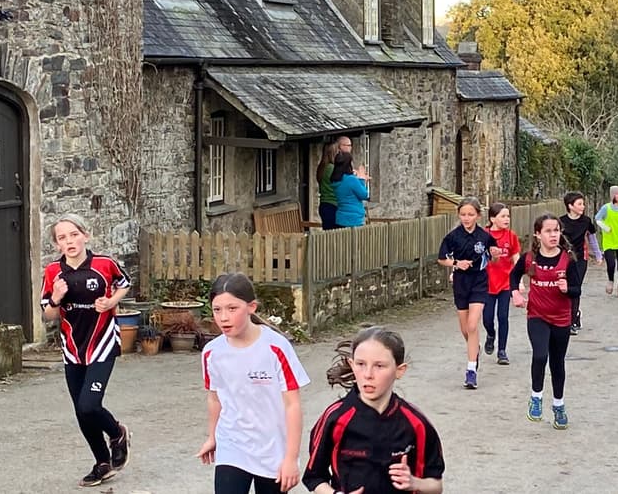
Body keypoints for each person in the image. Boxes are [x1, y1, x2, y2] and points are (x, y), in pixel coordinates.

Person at [40, 214, 133, 488]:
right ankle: (102, 463)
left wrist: (111, 302)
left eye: (74, 235)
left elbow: (124, 283)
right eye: (62, 238)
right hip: (72, 348)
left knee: (89, 404)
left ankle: (117, 433)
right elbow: (48, 314)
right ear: (57, 244)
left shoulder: (104, 264)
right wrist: (56, 298)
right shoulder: (53, 272)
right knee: (81, 411)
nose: (69, 241)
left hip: (103, 344)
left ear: (85, 236)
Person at [198, 273, 309, 494]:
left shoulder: (276, 347)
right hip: (232, 446)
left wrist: (291, 458)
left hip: (272, 451)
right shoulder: (211, 352)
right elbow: (215, 398)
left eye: (232, 308)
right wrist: (213, 436)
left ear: (251, 307)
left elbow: (293, 405)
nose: (224, 318)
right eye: (217, 309)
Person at [304, 327, 445, 494]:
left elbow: (436, 486)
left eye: (379, 366)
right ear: (352, 365)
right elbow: (314, 477)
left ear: (399, 370)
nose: (368, 374)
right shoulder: (335, 418)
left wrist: (415, 483)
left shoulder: (416, 423)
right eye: (361, 364)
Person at [511, 214, 579, 429]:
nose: (553, 235)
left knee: (557, 363)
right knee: (540, 355)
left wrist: (567, 289)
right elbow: (513, 275)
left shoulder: (568, 259)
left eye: (556, 231)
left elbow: (577, 289)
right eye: (548, 231)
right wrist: (515, 293)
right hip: (537, 316)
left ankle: (559, 405)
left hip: (561, 318)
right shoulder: (529, 258)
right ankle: (536, 398)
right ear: (538, 234)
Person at [437, 197, 500, 389]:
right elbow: (441, 259)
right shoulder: (452, 237)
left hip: (479, 281)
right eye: (463, 214)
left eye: (470, 214)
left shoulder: (485, 236)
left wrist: (495, 255)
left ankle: (471, 370)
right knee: (465, 329)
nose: (466, 218)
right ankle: (475, 348)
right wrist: (456, 263)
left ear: (478, 216)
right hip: (461, 282)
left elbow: (493, 257)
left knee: (473, 325)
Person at [482, 203, 521, 364]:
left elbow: (516, 257)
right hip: (487, 283)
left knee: (503, 316)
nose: (507, 219)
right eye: (503, 216)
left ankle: (502, 351)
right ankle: (491, 334)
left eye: (508, 216)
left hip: (506, 282)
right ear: (492, 219)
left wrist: (518, 280)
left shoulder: (511, 236)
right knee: (487, 318)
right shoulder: (483, 235)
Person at [558, 191, 600, 335]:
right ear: (570, 206)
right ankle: (571, 315)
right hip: (564, 258)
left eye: (583, 204)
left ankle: (571, 322)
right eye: (579, 204)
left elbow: (592, 238)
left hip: (580, 259)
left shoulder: (586, 221)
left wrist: (598, 255)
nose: (583, 206)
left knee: (575, 288)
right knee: (564, 289)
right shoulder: (560, 221)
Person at [316, 136, 353, 230]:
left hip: (325, 204)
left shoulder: (323, 167)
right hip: (332, 205)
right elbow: (343, 184)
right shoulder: (331, 168)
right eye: (338, 151)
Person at [331, 151, 370, 229]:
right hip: (354, 218)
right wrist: (362, 180)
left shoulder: (335, 181)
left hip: (340, 218)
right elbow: (364, 195)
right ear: (349, 164)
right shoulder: (351, 180)